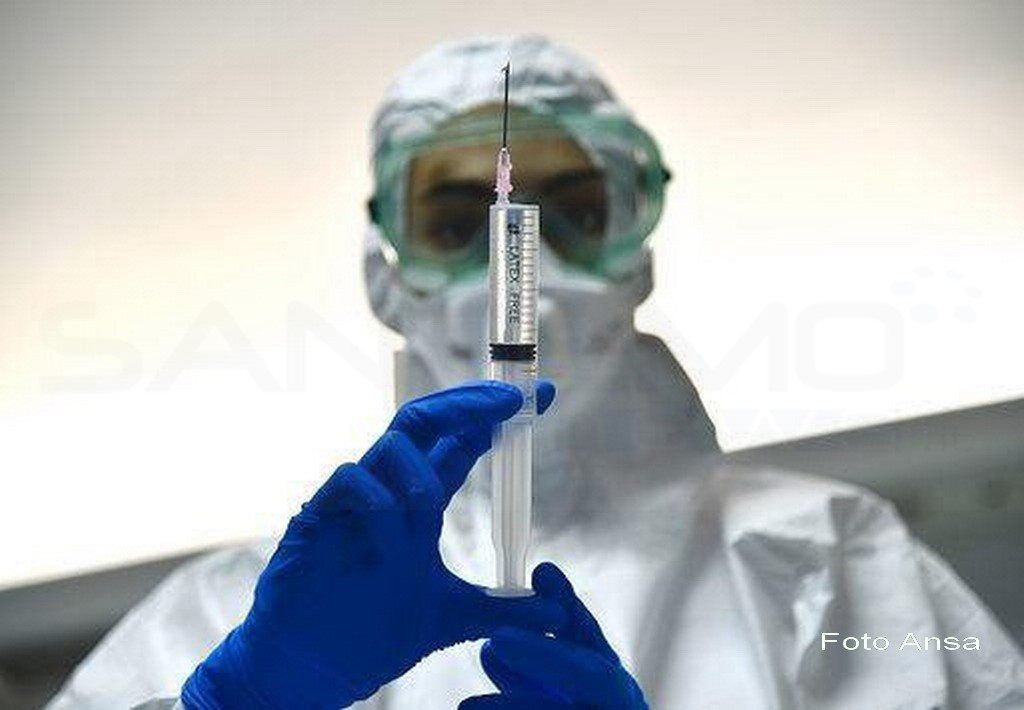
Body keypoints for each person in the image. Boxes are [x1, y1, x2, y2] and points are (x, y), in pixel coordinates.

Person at [48, 35, 1023, 710]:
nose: (526, 263)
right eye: (451, 222)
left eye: (579, 211)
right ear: (385, 280)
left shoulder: (825, 555)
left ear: (637, 258)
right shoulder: (228, 615)